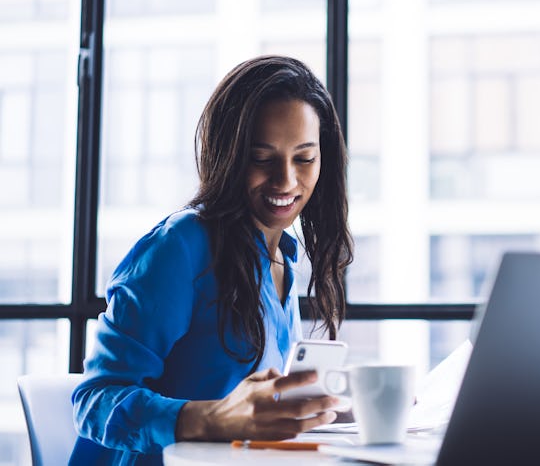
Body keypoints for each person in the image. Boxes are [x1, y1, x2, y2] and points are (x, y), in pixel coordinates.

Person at [70, 55, 354, 465]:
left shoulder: (283, 263)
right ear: (230, 156)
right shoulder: (180, 247)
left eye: (304, 159)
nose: (286, 181)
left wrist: (325, 408)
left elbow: (253, 413)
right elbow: (93, 400)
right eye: (262, 158)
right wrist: (212, 419)